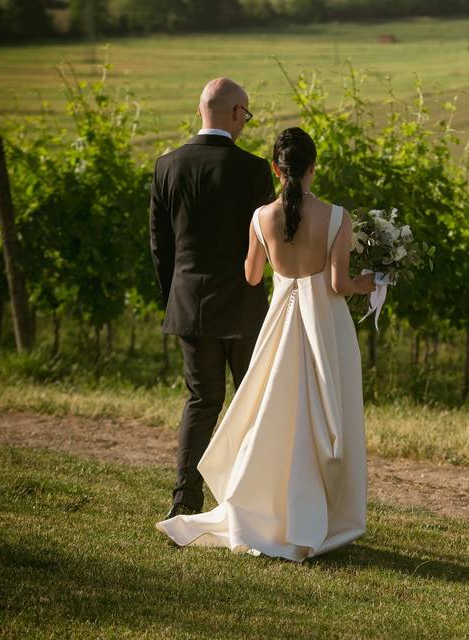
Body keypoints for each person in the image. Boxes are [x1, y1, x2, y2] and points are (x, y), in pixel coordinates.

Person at [155, 127, 376, 561]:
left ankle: (266, 505)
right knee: (322, 412)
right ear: (314, 168)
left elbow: (253, 277)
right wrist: (369, 282)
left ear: (276, 170)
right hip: (324, 326)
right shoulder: (337, 217)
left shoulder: (260, 218)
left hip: (278, 324)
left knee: (273, 414)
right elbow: (338, 283)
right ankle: (318, 513)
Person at [150, 77, 275, 520]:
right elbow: (268, 242)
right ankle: (250, 501)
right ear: (237, 112)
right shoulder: (255, 171)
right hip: (243, 304)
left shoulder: (167, 166)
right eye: (247, 114)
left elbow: (160, 247)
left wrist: (176, 301)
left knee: (202, 402)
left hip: (189, 304)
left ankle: (184, 500)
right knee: (251, 404)